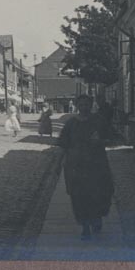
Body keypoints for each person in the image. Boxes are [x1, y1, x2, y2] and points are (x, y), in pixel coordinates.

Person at [58, 94, 115, 240]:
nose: (84, 107)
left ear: (91, 105)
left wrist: (101, 140)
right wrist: (60, 163)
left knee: (98, 194)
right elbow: (63, 143)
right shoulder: (70, 123)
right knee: (79, 197)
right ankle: (85, 227)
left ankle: (97, 219)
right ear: (77, 106)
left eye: (87, 104)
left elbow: (112, 138)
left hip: (97, 165)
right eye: (81, 104)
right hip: (75, 166)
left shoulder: (99, 121)